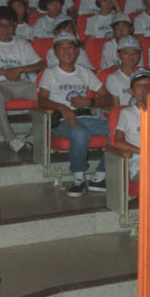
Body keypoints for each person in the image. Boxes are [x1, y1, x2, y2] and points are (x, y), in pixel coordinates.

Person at [36, 34, 112, 196]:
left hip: (87, 116)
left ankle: (99, 176)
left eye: (70, 46)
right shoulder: (50, 73)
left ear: (77, 51)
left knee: (119, 130)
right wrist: (62, 107)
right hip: (62, 120)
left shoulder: (85, 72)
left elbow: (107, 98)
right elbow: (41, 100)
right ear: (55, 52)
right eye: (61, 47)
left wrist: (89, 102)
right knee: (79, 132)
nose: (66, 51)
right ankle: (79, 178)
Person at [0, 6, 45, 155]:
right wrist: (4, 72)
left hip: (22, 84)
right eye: (1, 26)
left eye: (9, 26)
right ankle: (11, 138)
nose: (5, 30)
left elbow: (40, 64)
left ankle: (32, 136)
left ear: (15, 25)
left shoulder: (22, 44)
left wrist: (20, 69)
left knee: (50, 96)